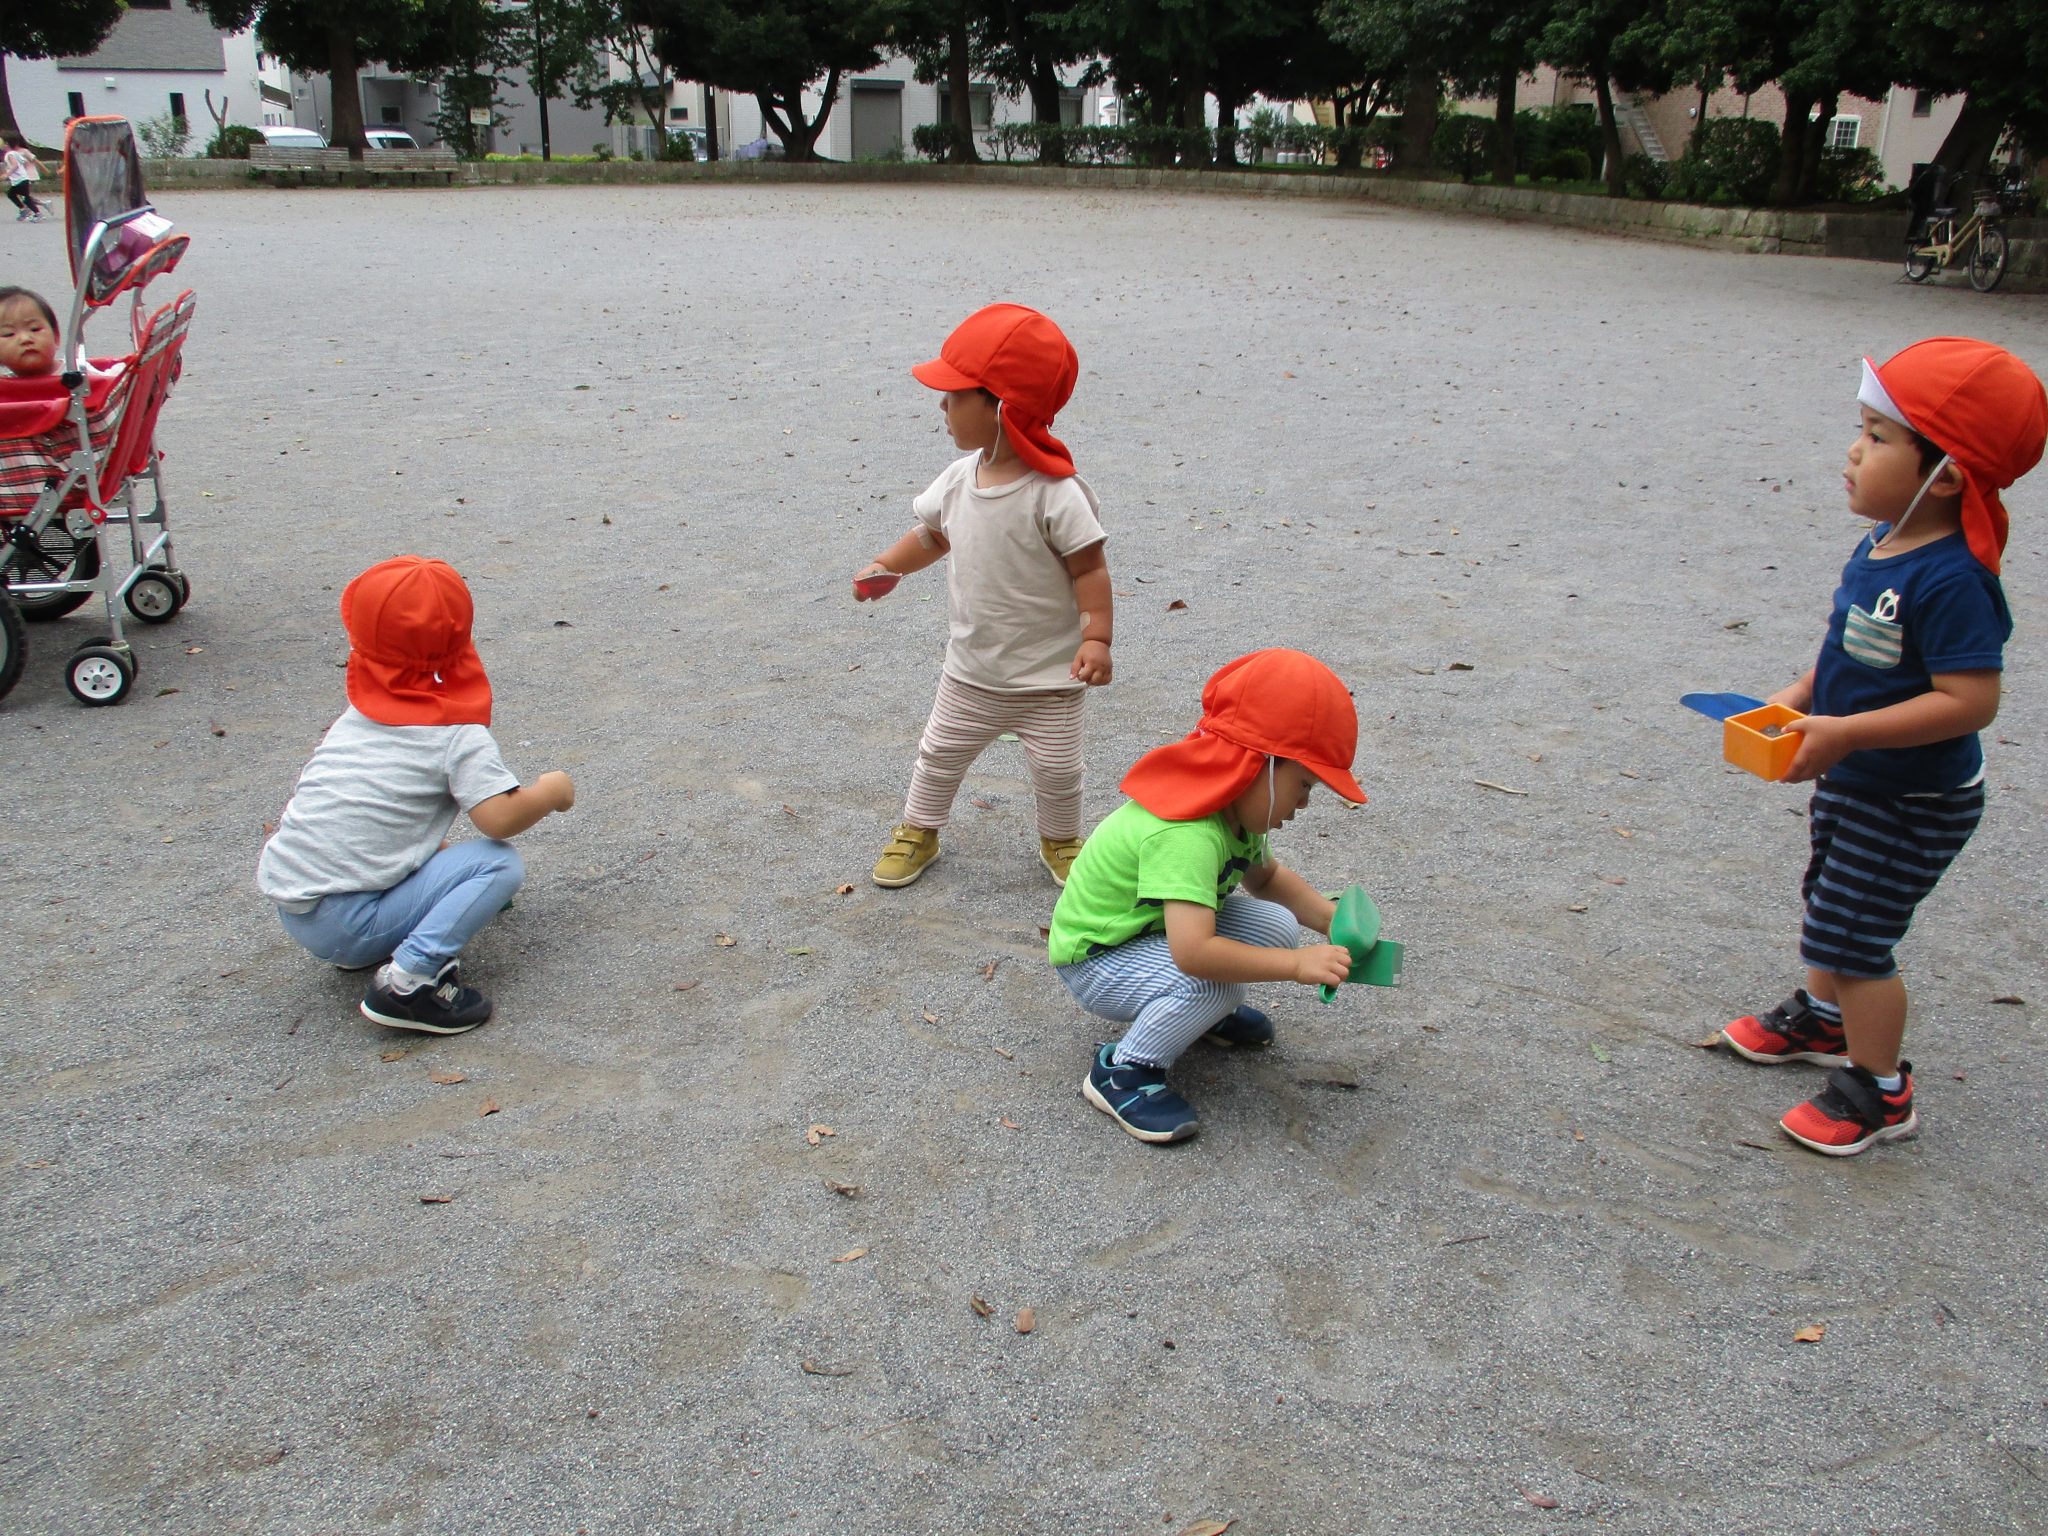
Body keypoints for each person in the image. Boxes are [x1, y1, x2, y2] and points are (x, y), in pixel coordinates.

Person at [1718, 337, 2046, 1155]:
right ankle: (1827, 1020)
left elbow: (1973, 702)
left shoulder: (1953, 579)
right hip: (1857, 776)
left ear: (1948, 474)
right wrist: (1794, 701)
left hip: (1913, 798)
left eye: (1878, 436)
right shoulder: (1880, 545)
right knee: (1829, 897)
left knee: (1856, 937)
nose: (1853, 452)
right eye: (1862, 429)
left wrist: (1847, 732)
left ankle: (1881, 1088)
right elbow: (1841, 651)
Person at [1047, 649, 1366, 1143]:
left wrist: (1329, 920)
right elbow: (1194, 952)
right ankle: (1123, 1071)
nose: (1304, 804)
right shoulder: (1188, 834)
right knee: (1211, 982)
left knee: (1277, 925)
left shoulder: (1233, 809)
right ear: (1259, 763)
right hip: (1098, 959)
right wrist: (1298, 965)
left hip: (1151, 935)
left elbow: (1267, 879)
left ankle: (1196, 1016)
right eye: (1303, 785)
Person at [853, 303, 1113, 889]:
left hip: (1050, 678)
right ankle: (920, 827)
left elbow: (1089, 568)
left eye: (955, 395)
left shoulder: (1057, 494)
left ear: (1002, 407)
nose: (942, 407)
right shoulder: (957, 478)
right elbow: (933, 535)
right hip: (971, 671)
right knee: (939, 753)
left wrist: (1096, 636)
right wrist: (889, 564)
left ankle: (1062, 838)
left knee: (1057, 769)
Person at [258, 556, 576, 1034]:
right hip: (349, 919)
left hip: (298, 907)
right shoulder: (453, 733)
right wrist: (550, 792)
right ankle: (410, 981)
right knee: (498, 863)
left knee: (436, 853)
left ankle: (370, 942)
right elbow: (499, 819)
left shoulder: (357, 719)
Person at [0, 287, 59, 376]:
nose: (25, 339)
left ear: (56, 336)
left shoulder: (81, 378)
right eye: (9, 334)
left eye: (34, 329)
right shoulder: (3, 387)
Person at [3, 139, 48, 222]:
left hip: (20, 180)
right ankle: (24, 210)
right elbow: (22, 162)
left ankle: (38, 214)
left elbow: (15, 165)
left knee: (25, 198)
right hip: (22, 179)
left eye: (5, 144)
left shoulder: (10, 154)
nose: (3, 146)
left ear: (8, 145)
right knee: (11, 194)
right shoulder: (15, 153)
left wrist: (7, 174)